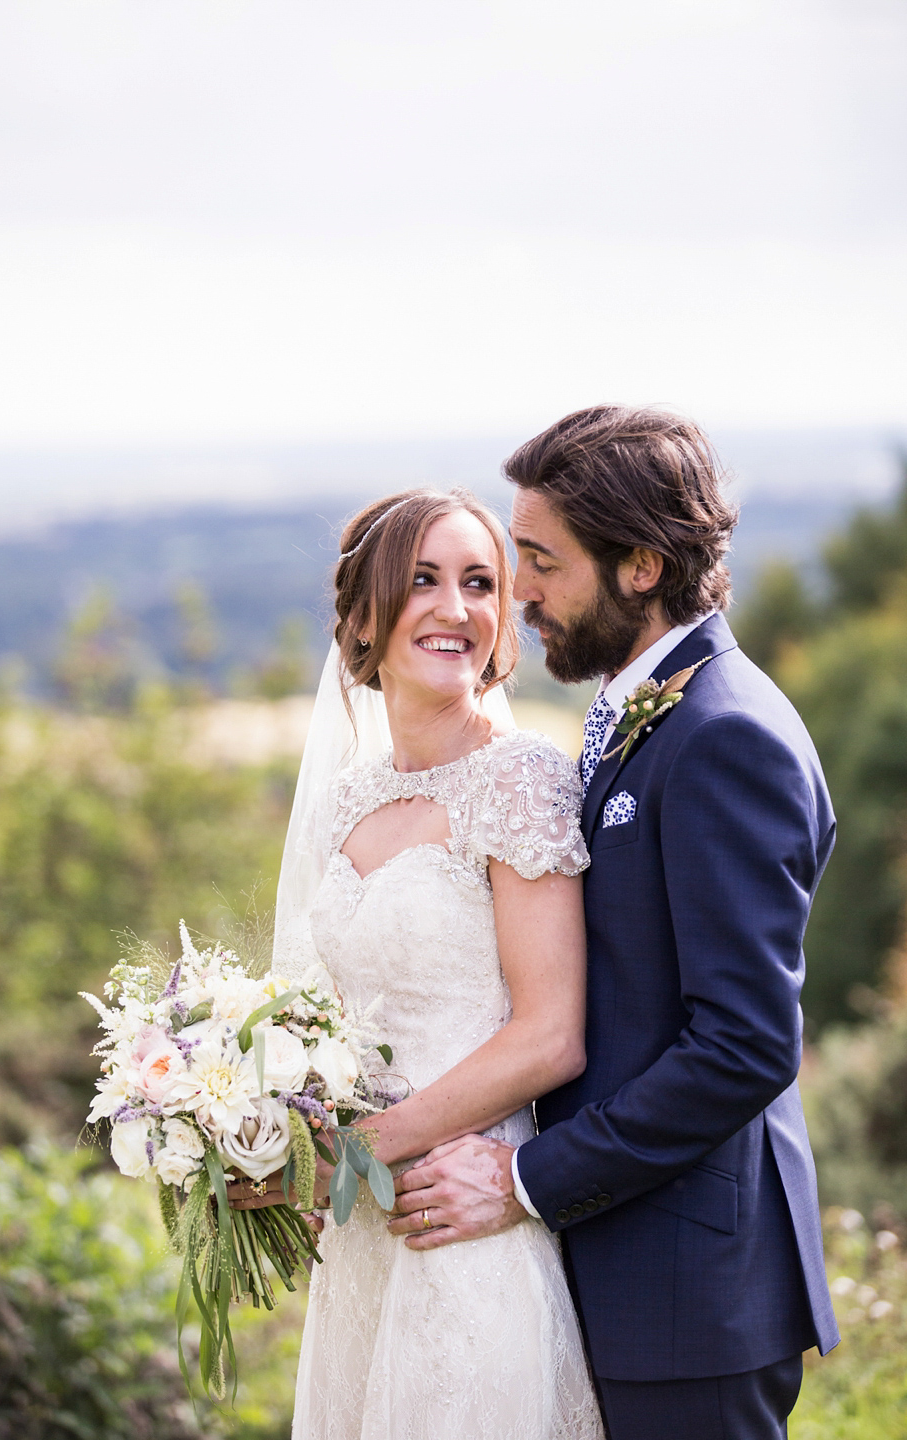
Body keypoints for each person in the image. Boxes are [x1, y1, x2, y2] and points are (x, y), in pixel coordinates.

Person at [389, 406, 840, 1440]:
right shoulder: (650, 707)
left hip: (691, 1293)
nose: (523, 592)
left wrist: (524, 1178)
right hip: (626, 1267)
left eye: (541, 561)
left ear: (640, 565)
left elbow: (744, 1046)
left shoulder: (728, 737)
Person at [229, 487, 604, 1438]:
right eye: (423, 580)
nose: (457, 608)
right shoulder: (350, 800)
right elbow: (326, 1024)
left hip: (461, 1212)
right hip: (363, 1234)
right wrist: (263, 1137)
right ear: (362, 615)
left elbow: (551, 1035)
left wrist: (361, 1152)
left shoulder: (519, 779)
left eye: (481, 582)